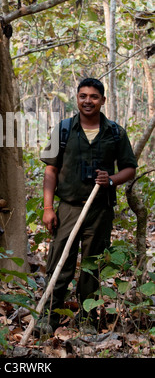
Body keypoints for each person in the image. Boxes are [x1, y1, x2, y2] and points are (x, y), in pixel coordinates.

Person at [36, 78, 137, 335]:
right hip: (68, 208)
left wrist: (111, 180)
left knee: (92, 267)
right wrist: (48, 209)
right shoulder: (64, 129)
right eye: (83, 96)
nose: (88, 101)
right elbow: (51, 169)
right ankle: (48, 318)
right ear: (77, 98)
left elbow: (129, 168)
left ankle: (87, 320)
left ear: (103, 100)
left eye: (93, 96)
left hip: (99, 209)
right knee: (59, 264)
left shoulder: (115, 132)